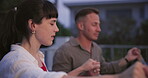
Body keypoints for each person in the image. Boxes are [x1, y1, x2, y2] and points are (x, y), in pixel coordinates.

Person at [0, 0, 146, 78]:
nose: (57, 29)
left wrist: (127, 59)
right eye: (52, 23)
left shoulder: (38, 56)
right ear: (32, 25)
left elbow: (105, 68)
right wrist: (121, 77)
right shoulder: (16, 62)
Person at [52, 8, 144, 76]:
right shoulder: (64, 51)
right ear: (81, 26)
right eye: (94, 24)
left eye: (99, 25)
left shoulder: (96, 48)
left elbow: (105, 68)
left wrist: (127, 58)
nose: (99, 29)